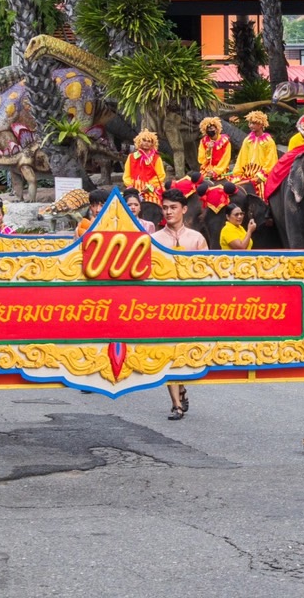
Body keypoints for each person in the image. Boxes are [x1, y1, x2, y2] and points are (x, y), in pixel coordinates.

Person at [152, 187, 208, 420]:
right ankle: (176, 404)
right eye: (165, 208)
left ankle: (181, 385)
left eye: (173, 208)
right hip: (162, 306)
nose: (168, 212)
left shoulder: (196, 239)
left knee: (183, 353)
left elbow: (207, 272)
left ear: (184, 210)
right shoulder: (154, 240)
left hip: (190, 306)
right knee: (167, 353)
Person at [232, 111, 278, 183]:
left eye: (253, 123)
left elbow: (271, 161)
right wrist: (238, 174)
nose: (250, 125)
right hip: (247, 174)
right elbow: (242, 158)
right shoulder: (247, 140)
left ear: (260, 124)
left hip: (261, 176)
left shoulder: (269, 141)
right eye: (249, 123)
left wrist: (262, 175)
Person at [124, 130, 167, 205]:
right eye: (144, 140)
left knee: (155, 204)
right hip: (133, 189)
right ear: (139, 141)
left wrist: (149, 187)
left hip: (150, 189)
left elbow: (160, 175)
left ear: (152, 144)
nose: (146, 143)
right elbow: (126, 175)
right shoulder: (131, 157)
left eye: (149, 141)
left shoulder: (156, 158)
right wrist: (131, 187)